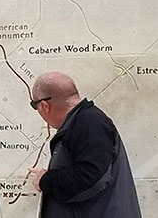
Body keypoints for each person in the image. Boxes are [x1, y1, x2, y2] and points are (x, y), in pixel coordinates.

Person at [27, 71, 141, 217]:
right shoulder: (83, 122)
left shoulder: (88, 123)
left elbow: (90, 179)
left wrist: (45, 179)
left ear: (45, 106)